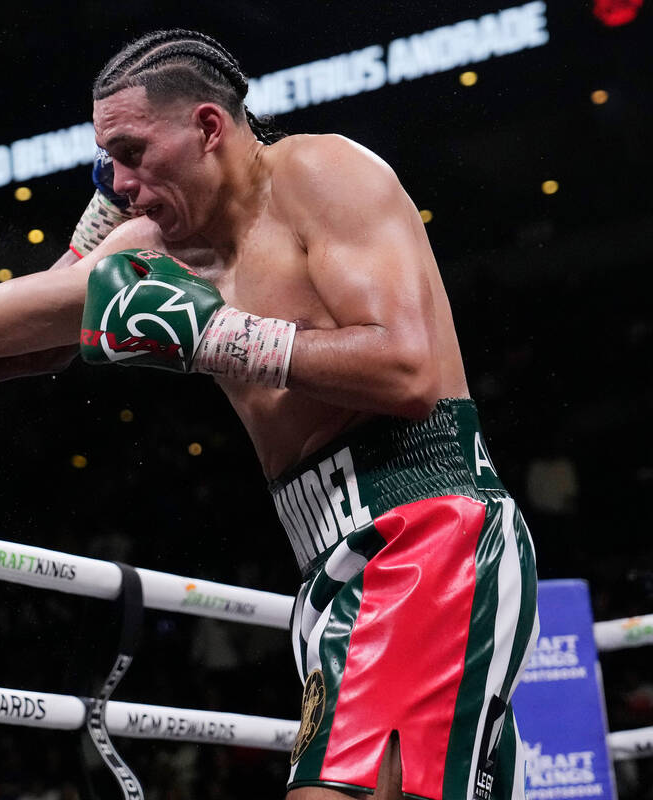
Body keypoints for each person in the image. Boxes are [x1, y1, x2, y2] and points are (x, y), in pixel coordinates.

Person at [70, 29, 541, 800]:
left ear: (206, 128)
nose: (113, 181)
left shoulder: (318, 170)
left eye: (130, 152)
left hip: (421, 532)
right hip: (329, 562)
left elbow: (408, 369)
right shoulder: (159, 248)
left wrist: (215, 335)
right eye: (106, 161)